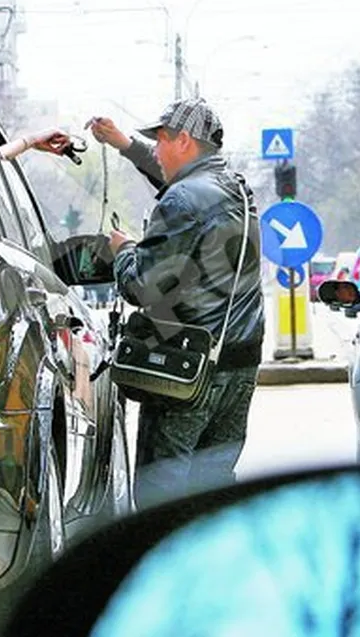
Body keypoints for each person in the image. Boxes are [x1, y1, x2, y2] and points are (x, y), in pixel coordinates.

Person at [88, 98, 265, 508]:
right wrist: (123, 143)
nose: (158, 151)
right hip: (239, 364)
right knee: (214, 495)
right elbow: (176, 181)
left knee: (159, 502)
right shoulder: (235, 188)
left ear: (183, 140)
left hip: (188, 372)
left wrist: (124, 250)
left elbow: (145, 288)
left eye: (162, 141)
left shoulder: (183, 201)